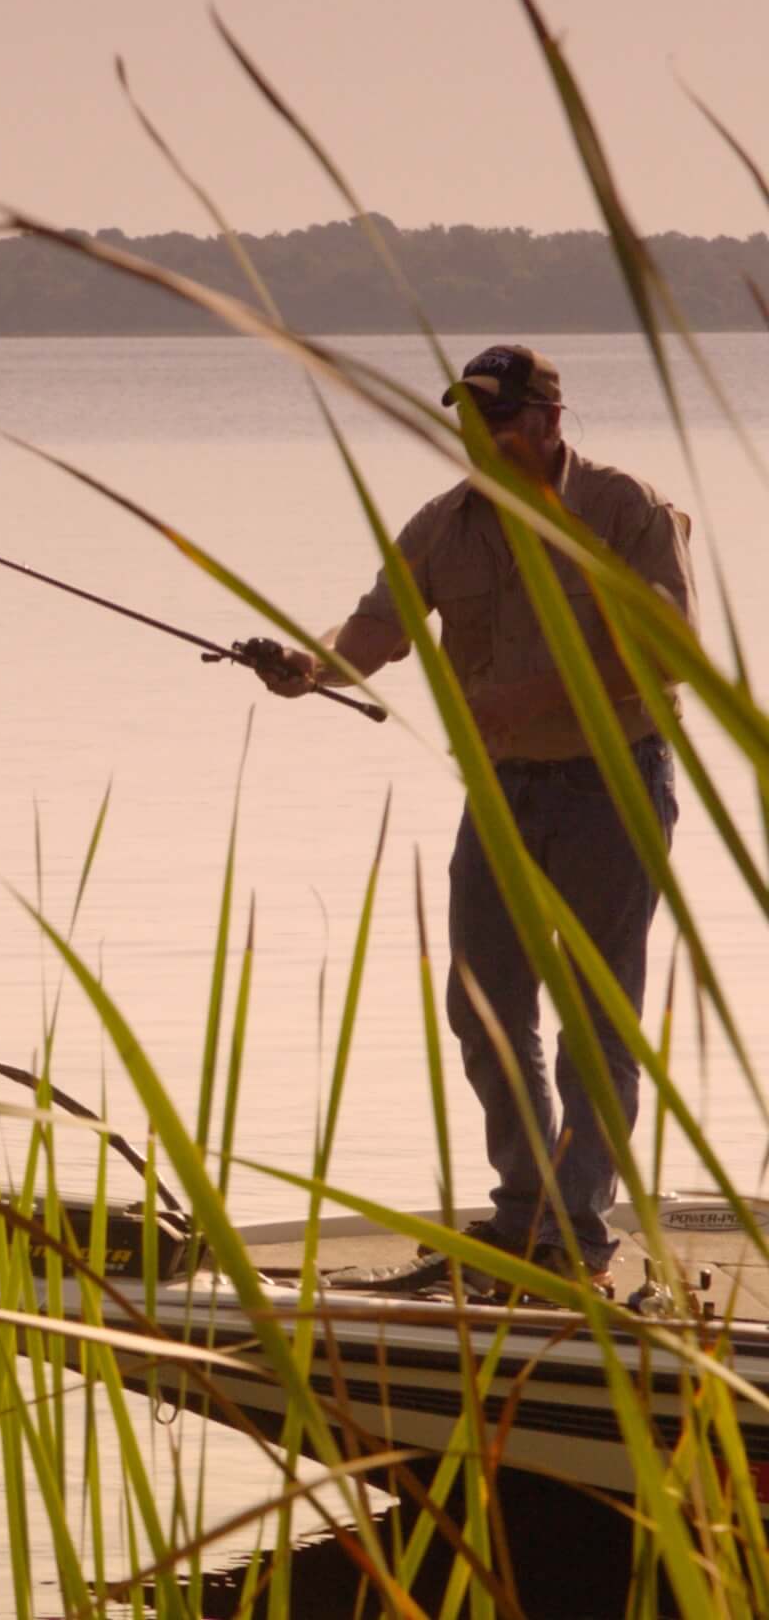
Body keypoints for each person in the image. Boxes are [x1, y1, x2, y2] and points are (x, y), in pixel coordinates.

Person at [235, 344, 693, 1298]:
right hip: (502, 795)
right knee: (482, 1006)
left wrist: (526, 696)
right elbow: (372, 632)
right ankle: (522, 1217)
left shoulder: (622, 508)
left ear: (548, 423)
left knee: (596, 1018)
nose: (478, 438)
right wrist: (307, 668)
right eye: (467, 420)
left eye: (497, 421)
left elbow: (667, 647)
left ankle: (578, 1236)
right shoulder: (443, 525)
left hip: (614, 782)